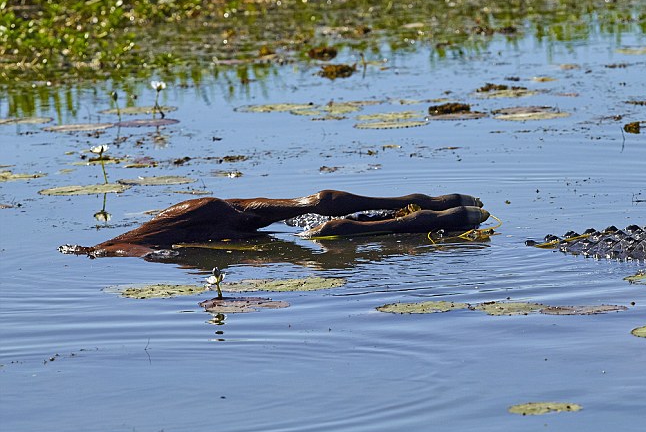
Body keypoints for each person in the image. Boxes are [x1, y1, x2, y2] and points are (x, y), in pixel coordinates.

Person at [60, 190, 488, 258]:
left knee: (312, 223)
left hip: (193, 227)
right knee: (311, 205)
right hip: (196, 212)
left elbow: (143, 251)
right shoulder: (113, 243)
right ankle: (422, 207)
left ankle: (419, 215)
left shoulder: (107, 251)